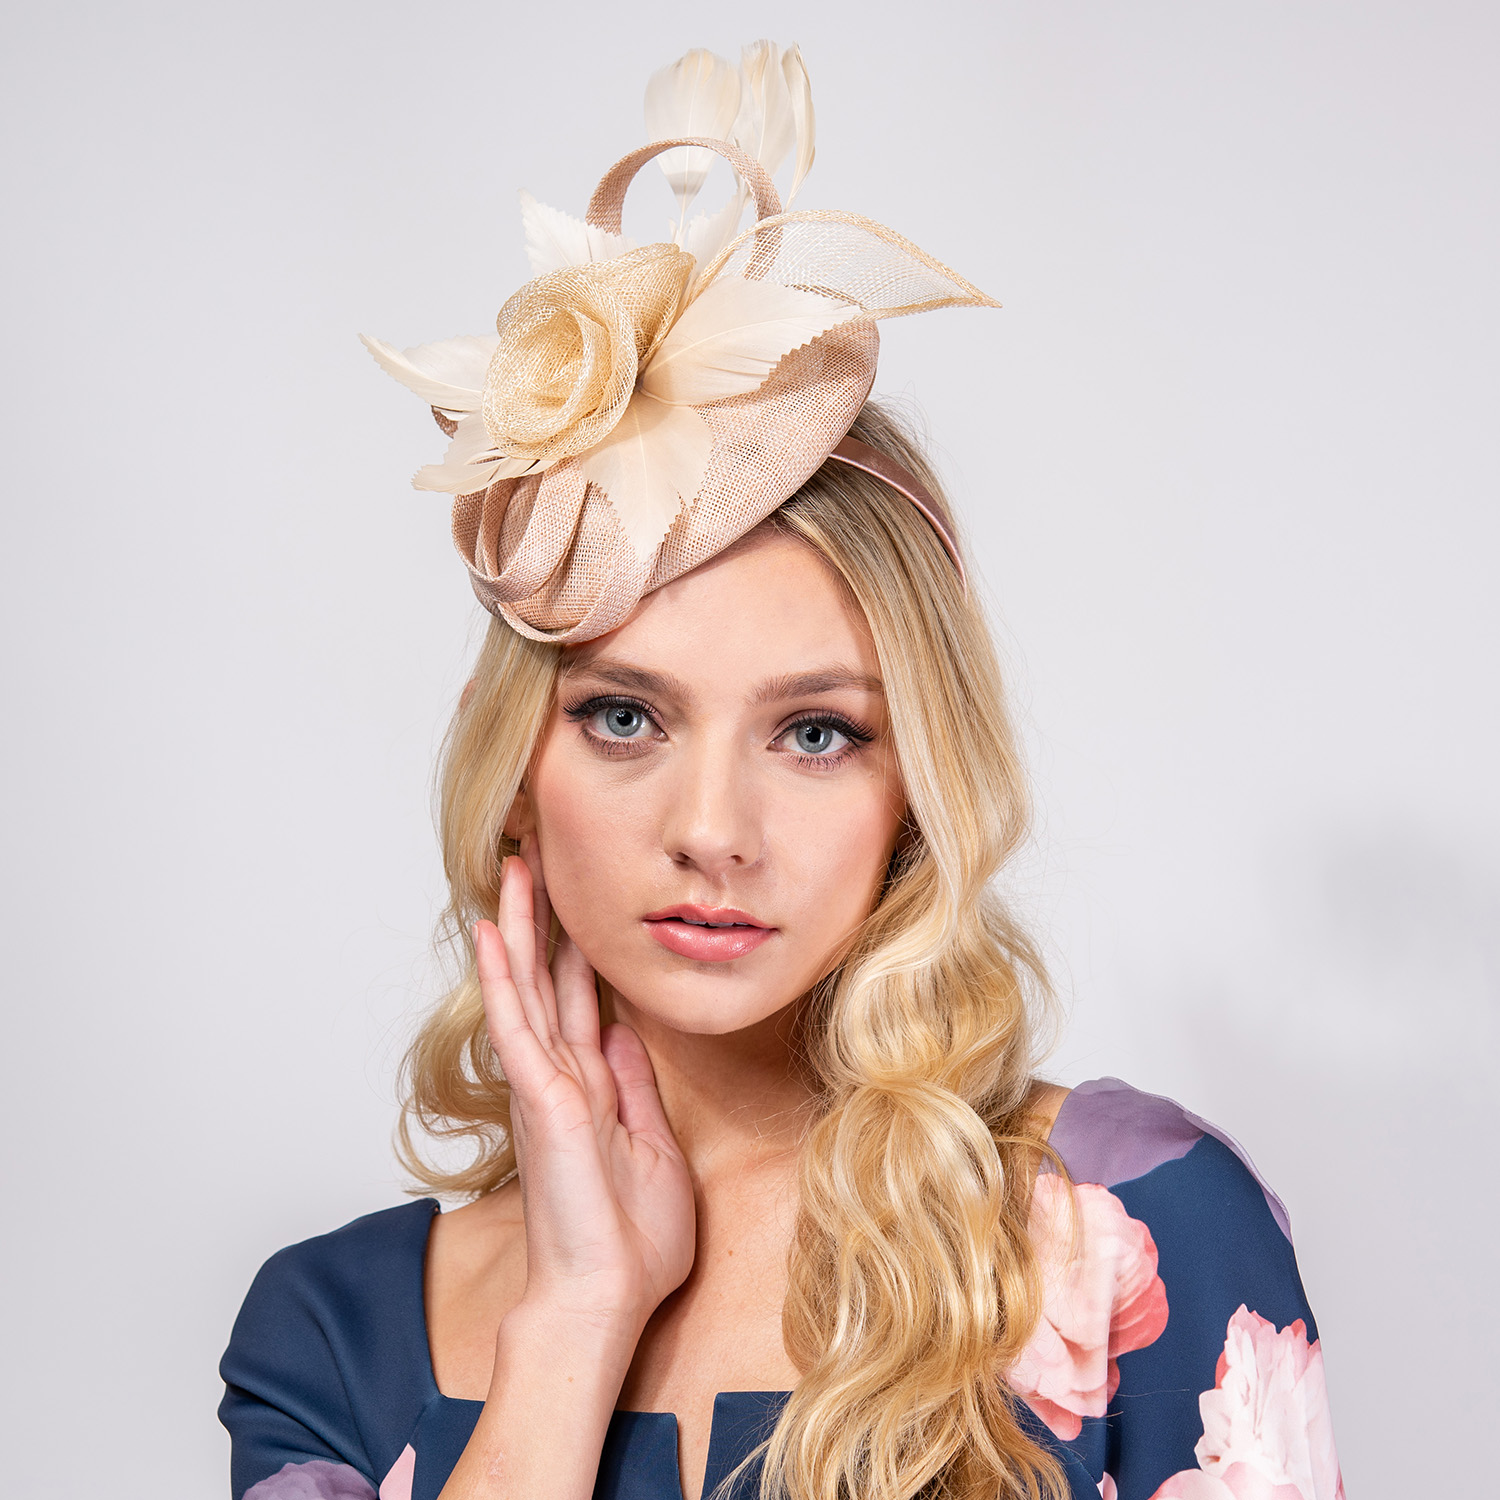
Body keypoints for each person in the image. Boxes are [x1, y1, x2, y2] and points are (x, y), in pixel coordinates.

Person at [219, 44, 1346, 1500]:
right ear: (515, 764)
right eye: (625, 718)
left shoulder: (1135, 1230)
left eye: (817, 734)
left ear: (916, 783)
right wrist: (575, 1318)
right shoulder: (333, 1339)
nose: (712, 831)